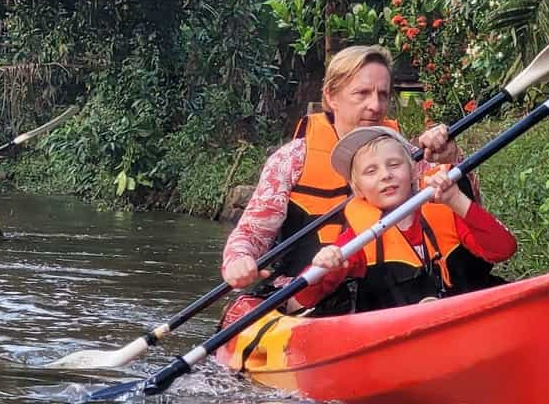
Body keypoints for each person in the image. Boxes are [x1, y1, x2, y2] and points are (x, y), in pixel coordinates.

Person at [221, 45, 480, 313]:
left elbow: (470, 218)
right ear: (331, 96)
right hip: (308, 298)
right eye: (362, 94)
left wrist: (452, 160)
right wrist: (239, 259)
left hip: (394, 298)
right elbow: (251, 234)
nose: (375, 106)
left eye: (383, 95)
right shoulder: (292, 160)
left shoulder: (409, 156)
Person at [293, 126, 516, 312]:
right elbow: (305, 297)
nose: (385, 175)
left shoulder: (446, 209)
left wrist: (458, 201)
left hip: (471, 317)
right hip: (404, 339)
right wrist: (322, 264)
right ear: (357, 188)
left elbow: (503, 249)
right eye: (371, 171)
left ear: (413, 171)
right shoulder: (358, 239)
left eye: (394, 164)